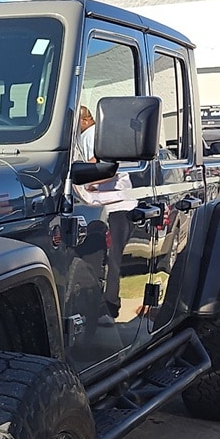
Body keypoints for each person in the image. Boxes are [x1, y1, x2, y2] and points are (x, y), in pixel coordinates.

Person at [74, 105, 137, 323]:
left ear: (83, 121)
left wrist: (85, 182)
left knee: (113, 260)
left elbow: (104, 166)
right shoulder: (89, 135)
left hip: (116, 206)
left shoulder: (93, 135)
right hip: (101, 207)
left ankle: (110, 309)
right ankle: (98, 307)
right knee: (100, 261)